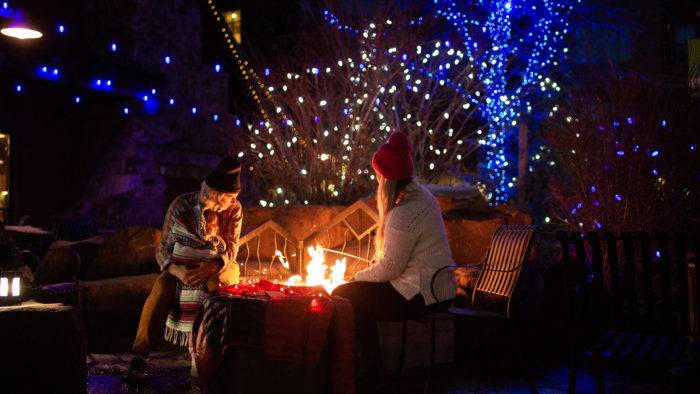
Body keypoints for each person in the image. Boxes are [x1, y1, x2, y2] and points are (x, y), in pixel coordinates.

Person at [332, 132, 456, 391]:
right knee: (355, 298)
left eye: (378, 175)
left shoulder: (404, 211)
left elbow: (390, 268)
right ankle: (371, 367)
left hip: (423, 293)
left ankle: (368, 369)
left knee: (343, 294)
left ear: (386, 179)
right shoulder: (420, 196)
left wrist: (356, 277)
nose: (376, 180)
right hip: (434, 286)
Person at [125, 157, 243, 383]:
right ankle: (139, 356)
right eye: (230, 196)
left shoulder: (234, 210)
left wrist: (214, 265)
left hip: (218, 264)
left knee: (216, 291)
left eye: (235, 197)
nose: (233, 201)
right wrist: (176, 270)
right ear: (216, 194)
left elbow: (232, 246)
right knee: (161, 288)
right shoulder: (181, 206)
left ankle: (208, 356)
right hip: (180, 265)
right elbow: (163, 249)